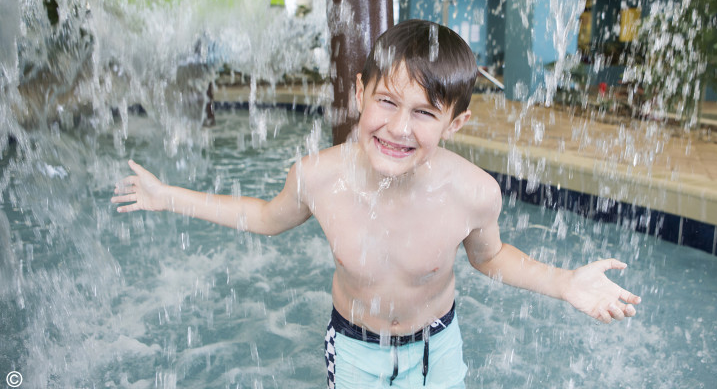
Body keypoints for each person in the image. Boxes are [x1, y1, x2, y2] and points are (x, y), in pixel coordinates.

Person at [112, 19, 641, 389]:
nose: (397, 128)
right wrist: (169, 197)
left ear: (455, 124)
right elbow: (264, 218)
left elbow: (491, 258)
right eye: (386, 101)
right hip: (357, 350)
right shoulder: (318, 178)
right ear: (359, 93)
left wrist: (564, 282)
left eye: (424, 113)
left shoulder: (473, 192)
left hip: (438, 346)